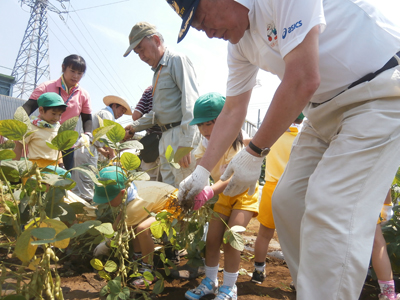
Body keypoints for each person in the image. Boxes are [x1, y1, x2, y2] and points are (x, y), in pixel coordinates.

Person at [166, 0, 400, 299]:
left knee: (333, 205)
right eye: (198, 29)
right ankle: (315, 292)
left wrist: (253, 152)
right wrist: (199, 174)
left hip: (379, 91)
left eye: (201, 18)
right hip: (322, 110)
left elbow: (303, 78)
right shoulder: (239, 45)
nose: (208, 34)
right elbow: (233, 109)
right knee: (288, 201)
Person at [185, 92, 257, 300]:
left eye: (209, 124)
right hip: (224, 196)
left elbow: (233, 177)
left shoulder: (238, 141)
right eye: (200, 126)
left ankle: (229, 288)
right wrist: (197, 189)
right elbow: (201, 171)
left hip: (244, 194)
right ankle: (210, 282)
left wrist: (209, 192)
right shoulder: (204, 143)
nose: (204, 131)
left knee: (231, 237)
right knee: (212, 238)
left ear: (225, 121)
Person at [123, 22, 200, 188]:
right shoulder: (158, 72)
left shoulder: (176, 61)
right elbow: (157, 113)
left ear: (156, 40)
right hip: (166, 138)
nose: (141, 56)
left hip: (179, 136)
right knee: (170, 188)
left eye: (141, 49)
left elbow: (191, 101)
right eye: (137, 53)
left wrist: (186, 143)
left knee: (186, 186)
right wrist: (134, 127)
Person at [92, 166, 177, 287]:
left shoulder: (135, 206)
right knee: (135, 226)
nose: (106, 203)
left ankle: (148, 270)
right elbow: (121, 218)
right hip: (160, 201)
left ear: (122, 193)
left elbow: (124, 228)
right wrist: (107, 237)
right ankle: (138, 258)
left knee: (142, 229)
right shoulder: (129, 189)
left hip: (173, 206)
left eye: (108, 200)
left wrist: (107, 244)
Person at [251, 113, 304, 284]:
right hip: (294, 190)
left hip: (271, 187)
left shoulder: (273, 135)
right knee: (297, 238)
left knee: (264, 234)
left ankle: (258, 271)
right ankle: (299, 280)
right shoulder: (304, 138)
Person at [22, 54, 92, 170]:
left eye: (79, 73)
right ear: (63, 67)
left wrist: (88, 135)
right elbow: (28, 107)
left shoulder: (83, 94)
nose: (75, 76)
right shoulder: (46, 87)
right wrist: (18, 126)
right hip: (43, 140)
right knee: (39, 177)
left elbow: (87, 118)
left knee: (62, 180)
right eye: (72, 71)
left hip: (66, 144)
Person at [72, 95, 132, 201]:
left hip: (90, 148)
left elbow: (94, 137)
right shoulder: (107, 114)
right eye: (121, 110)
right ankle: (85, 205)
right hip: (85, 148)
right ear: (114, 105)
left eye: (124, 112)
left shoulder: (104, 113)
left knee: (86, 178)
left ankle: (82, 203)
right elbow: (108, 135)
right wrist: (112, 155)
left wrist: (102, 151)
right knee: (85, 177)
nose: (121, 114)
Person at [13, 92, 66, 168]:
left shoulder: (58, 127)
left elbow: (58, 148)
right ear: (41, 110)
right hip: (35, 167)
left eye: (60, 114)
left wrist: (61, 164)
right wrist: (15, 168)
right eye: (53, 114)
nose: (57, 118)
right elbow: (18, 146)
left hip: (54, 168)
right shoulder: (31, 127)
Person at [372, 191, 400, 300]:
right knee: (378, 243)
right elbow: (384, 176)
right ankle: (388, 294)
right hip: (360, 204)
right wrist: (387, 205)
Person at [131, 86, 162, 181]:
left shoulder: (149, 90)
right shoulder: (172, 87)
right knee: (168, 182)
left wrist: (133, 128)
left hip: (151, 143)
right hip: (170, 138)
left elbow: (136, 116)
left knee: (148, 179)